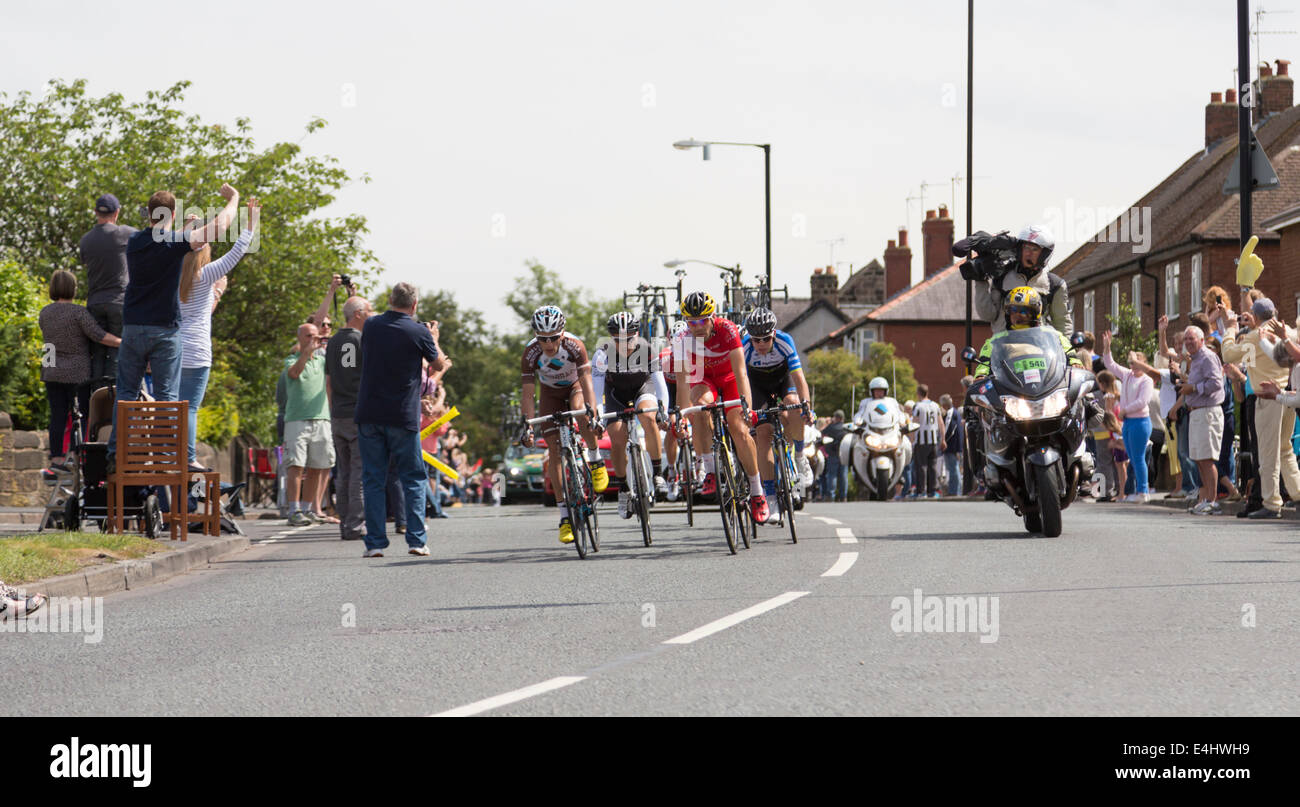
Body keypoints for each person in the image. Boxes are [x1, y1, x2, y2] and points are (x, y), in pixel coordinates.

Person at [106, 183, 241, 472]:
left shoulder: (134, 242)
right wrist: (234, 200)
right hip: (164, 330)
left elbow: (162, 235)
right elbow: (219, 227)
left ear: (150, 213)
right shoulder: (175, 243)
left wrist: (181, 227)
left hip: (132, 327)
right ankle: (167, 458)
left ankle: (116, 456)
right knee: (167, 396)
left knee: (126, 393)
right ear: (174, 212)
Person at [355, 283, 446, 557]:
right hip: (402, 415)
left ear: (390, 300)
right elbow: (438, 365)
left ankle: (374, 544)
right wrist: (434, 338)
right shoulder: (418, 331)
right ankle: (416, 540)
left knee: (373, 478)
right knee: (413, 478)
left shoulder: (371, 326)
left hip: (370, 412)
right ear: (415, 304)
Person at [672, 292, 768, 523]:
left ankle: (757, 492)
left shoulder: (728, 330)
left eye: (703, 320)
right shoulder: (681, 339)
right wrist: (682, 416)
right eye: (692, 322)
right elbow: (683, 382)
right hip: (703, 379)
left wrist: (747, 407)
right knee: (699, 409)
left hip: (730, 378)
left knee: (738, 428)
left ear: (712, 316)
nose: (697, 326)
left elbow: (741, 372)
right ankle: (710, 471)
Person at [178, 198, 258, 471]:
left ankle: (167, 453)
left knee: (171, 407)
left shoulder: (172, 273)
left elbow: (178, 243)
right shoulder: (207, 274)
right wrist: (252, 220)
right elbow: (238, 250)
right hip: (197, 350)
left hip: (172, 348)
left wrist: (188, 228)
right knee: (189, 408)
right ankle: (188, 458)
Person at [518, 305, 608, 544]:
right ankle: (565, 517)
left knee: (581, 409)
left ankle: (595, 458)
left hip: (575, 386)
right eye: (542, 338)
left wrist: (594, 413)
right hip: (550, 394)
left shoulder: (575, 346)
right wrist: (526, 425)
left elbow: (588, 383)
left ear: (562, 333)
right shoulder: (530, 353)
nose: (548, 344)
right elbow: (528, 395)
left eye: (553, 338)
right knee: (554, 452)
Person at [1221, 298, 1299, 519]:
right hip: (1287, 395)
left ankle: (1272, 503)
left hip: (1266, 398)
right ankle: (1297, 492)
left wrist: (1229, 328)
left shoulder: (1255, 336)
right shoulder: (1290, 332)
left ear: (1254, 317)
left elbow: (1228, 354)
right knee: (1285, 449)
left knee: (1267, 454)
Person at [38, 270, 122, 467]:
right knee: (82, 415)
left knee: (57, 416)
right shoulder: (78, 312)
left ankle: (57, 459)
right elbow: (98, 335)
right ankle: (79, 455)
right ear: (72, 289)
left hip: (51, 370)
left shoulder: (45, 312)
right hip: (78, 373)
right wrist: (122, 342)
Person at [591, 311, 669, 519]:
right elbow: (597, 393)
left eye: (629, 339)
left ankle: (658, 474)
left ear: (637, 334)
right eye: (618, 340)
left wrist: (664, 412)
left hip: (643, 388)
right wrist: (598, 415)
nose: (624, 344)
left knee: (648, 417)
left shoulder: (647, 349)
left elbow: (660, 386)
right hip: (615, 394)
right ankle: (624, 487)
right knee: (617, 439)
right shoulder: (602, 355)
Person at [741, 307, 815, 514]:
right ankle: (771, 497)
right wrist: (746, 409)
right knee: (763, 434)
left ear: (773, 334)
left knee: (794, 402)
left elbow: (799, 378)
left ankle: (799, 456)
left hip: (783, 381)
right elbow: (742, 382)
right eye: (756, 340)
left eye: (765, 339)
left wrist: (807, 406)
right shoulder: (745, 347)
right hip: (757, 387)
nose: (761, 344)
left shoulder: (785, 341)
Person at [966, 224, 1073, 337]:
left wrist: (1068, 351)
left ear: (1044, 254)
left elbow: (1062, 324)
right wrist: (980, 281)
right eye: (1026, 248)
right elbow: (988, 315)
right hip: (1004, 348)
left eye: (1034, 249)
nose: (1028, 253)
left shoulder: (1054, 285)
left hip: (1038, 349)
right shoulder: (1002, 276)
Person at [325, 295, 373, 541]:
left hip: (339, 414)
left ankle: (345, 524)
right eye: (369, 311)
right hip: (358, 413)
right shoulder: (362, 340)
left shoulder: (332, 342)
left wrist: (333, 411)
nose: (371, 315)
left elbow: (329, 382)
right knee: (358, 473)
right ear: (358, 314)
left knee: (343, 473)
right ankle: (355, 526)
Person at [79, 193, 137, 382]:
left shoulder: (85, 240)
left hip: (95, 302)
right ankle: (113, 402)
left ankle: (96, 401)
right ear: (117, 212)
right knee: (117, 351)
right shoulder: (124, 233)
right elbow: (152, 238)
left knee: (97, 353)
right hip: (119, 302)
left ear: (95, 212)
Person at [284, 323, 336, 526]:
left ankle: (308, 508)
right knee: (296, 466)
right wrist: (306, 353)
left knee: (318, 466)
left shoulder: (323, 361)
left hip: (321, 418)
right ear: (299, 338)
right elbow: (294, 373)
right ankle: (293, 510)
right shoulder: (291, 359)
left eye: (315, 336)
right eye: (308, 336)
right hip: (297, 420)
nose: (313, 339)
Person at [1098, 329, 1154, 502]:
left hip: (1140, 421)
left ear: (1143, 363)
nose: (1132, 366)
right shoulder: (1128, 375)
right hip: (1129, 422)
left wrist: (1123, 411)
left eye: (1136, 362)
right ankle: (1137, 491)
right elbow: (1111, 364)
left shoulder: (1147, 380)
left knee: (1137, 457)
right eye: (1131, 363)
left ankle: (1143, 491)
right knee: (1132, 457)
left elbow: (1142, 402)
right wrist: (1107, 347)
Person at [1180, 326, 1225, 515]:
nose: (1188, 342)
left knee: (1207, 459)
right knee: (1199, 459)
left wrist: (1194, 388)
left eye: (1192, 339)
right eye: (1186, 339)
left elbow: (1216, 383)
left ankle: (1213, 501)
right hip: (1197, 412)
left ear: (1201, 340)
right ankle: (1206, 499)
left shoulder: (1207, 357)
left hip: (1208, 412)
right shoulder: (1195, 360)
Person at [910, 384, 944, 499]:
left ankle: (921, 491)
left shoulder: (918, 406)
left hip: (921, 441)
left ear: (918, 393)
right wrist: (943, 439)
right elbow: (941, 423)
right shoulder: (935, 405)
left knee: (921, 466)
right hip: (934, 440)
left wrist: (911, 440)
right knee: (932, 466)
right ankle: (932, 491)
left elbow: (914, 424)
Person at [820, 409, 850, 502]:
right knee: (844, 476)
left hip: (832, 454)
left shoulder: (831, 427)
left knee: (832, 475)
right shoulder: (846, 428)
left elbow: (822, 432)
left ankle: (831, 495)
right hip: (844, 454)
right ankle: (843, 496)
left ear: (836, 418)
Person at [939, 394, 963, 496]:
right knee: (954, 468)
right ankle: (955, 490)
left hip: (951, 445)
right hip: (955, 445)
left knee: (953, 469)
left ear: (945, 405)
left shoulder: (950, 413)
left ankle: (954, 491)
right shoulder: (955, 412)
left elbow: (948, 428)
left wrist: (943, 440)